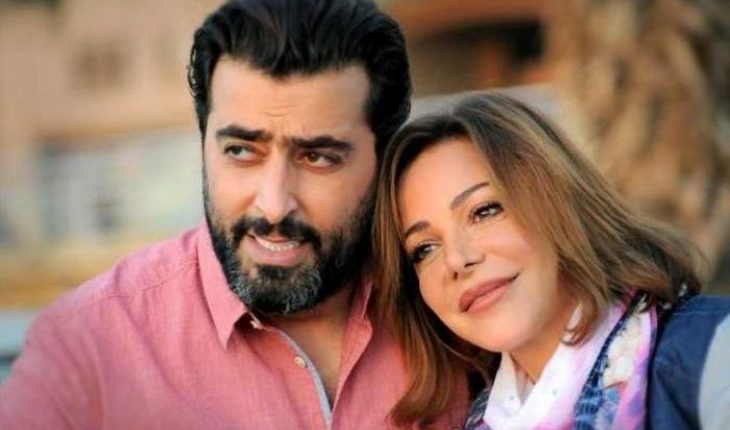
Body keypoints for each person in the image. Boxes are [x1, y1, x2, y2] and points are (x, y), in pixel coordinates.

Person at [0, 1, 470, 428]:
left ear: (384, 157)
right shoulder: (87, 348)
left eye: (318, 157)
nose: (274, 204)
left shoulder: (461, 308)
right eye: (242, 151)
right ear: (205, 143)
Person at [372, 92, 730, 429]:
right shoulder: (476, 418)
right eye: (424, 249)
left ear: (559, 200)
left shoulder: (709, 351)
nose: (456, 260)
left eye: (484, 211)